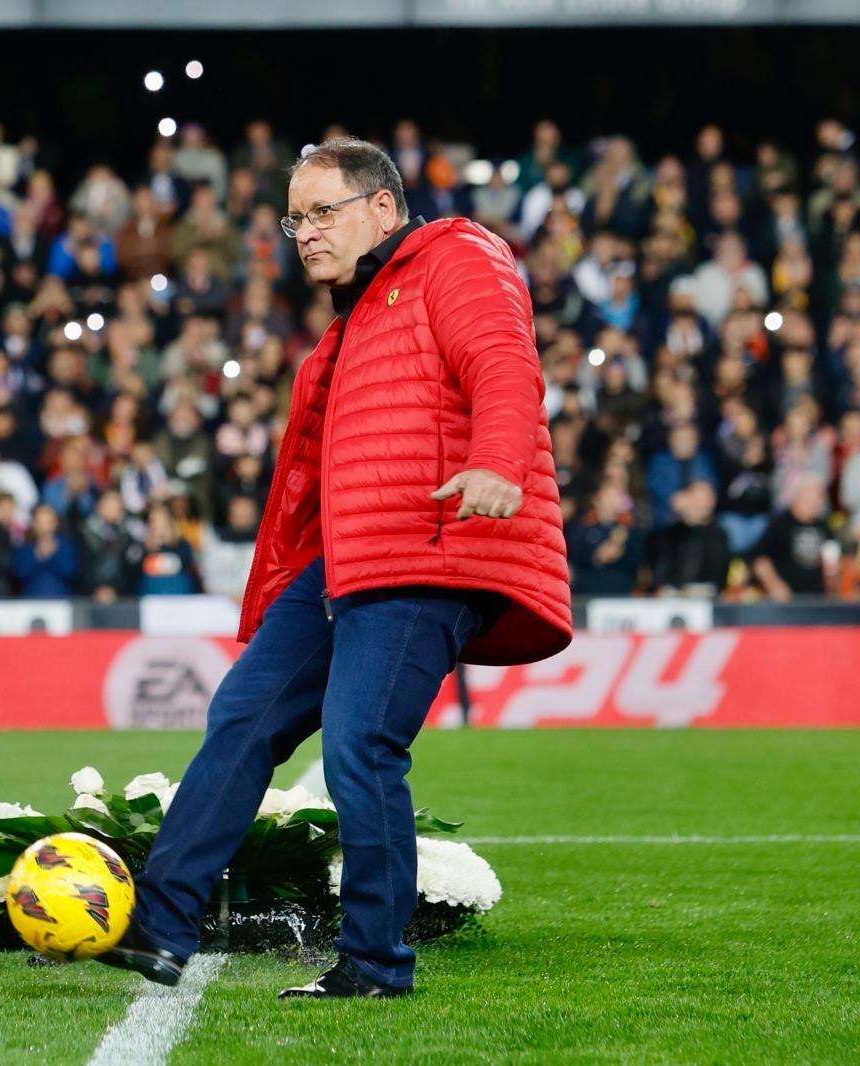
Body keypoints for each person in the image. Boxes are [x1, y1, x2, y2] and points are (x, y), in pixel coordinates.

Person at [97, 138, 571, 999]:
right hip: (346, 561)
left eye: (324, 212)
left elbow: (504, 363)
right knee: (241, 716)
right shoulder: (352, 320)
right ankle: (158, 927)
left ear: (382, 208)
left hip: (428, 548)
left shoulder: (456, 257)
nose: (305, 233)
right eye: (295, 219)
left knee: (360, 746)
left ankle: (375, 965)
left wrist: (500, 460)